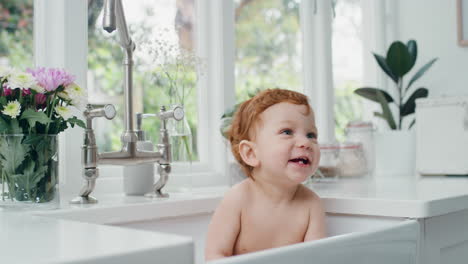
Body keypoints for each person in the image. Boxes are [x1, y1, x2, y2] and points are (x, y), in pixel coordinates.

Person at [205, 88, 326, 261]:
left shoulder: (311, 205)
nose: (305, 142)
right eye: (287, 132)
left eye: (311, 134)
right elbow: (215, 256)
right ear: (251, 154)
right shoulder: (239, 199)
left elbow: (317, 259)